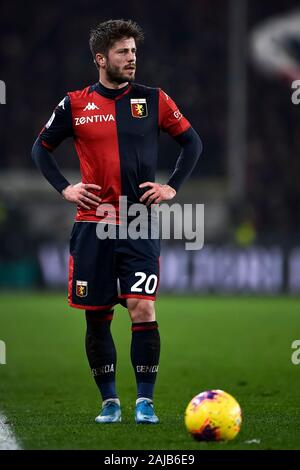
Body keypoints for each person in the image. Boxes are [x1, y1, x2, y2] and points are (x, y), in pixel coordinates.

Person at [32, 19, 202, 424]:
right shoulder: (74, 103)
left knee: (143, 307)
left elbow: (191, 142)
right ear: (100, 58)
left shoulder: (154, 99)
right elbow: (41, 149)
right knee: (98, 314)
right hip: (93, 223)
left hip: (139, 222)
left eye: (134, 52)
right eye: (124, 52)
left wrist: (172, 188)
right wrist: (65, 188)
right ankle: (110, 401)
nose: (131, 59)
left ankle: (145, 401)